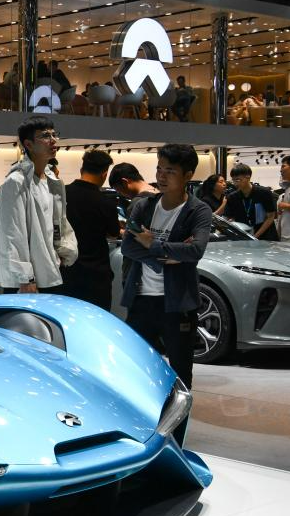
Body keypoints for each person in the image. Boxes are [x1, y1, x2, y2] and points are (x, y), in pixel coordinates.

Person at [120, 144, 211, 389]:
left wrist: (152, 243)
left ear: (188, 175)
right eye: (159, 169)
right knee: (137, 369)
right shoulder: (143, 206)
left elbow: (195, 250)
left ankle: (178, 413)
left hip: (178, 304)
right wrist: (164, 258)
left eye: (170, 171)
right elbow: (128, 247)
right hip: (141, 299)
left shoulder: (197, 210)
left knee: (180, 373)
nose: (161, 176)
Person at [0, 116, 77, 294]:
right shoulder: (16, 182)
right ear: (29, 144)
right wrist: (26, 278)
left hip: (51, 271)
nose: (53, 140)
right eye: (46, 136)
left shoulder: (53, 181)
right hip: (28, 282)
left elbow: (59, 224)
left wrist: (64, 252)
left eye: (54, 134)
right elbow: (13, 233)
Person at [61, 150, 120, 310]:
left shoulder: (61, 194)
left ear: (82, 169)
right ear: (104, 174)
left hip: (64, 272)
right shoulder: (106, 203)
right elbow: (113, 233)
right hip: (96, 276)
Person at [222, 163, 278, 240]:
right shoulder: (232, 197)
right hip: (243, 237)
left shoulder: (264, 193)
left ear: (248, 177)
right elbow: (227, 217)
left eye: (238, 180)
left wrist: (255, 236)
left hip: (266, 236)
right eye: (233, 180)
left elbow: (271, 216)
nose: (235, 183)